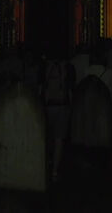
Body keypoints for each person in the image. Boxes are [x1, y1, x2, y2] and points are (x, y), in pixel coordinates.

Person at [40, 51, 76, 182]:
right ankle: (54, 171)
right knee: (59, 138)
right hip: (62, 104)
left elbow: (41, 86)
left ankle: (47, 161)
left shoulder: (45, 66)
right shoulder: (68, 67)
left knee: (48, 135)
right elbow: (71, 89)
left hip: (48, 105)